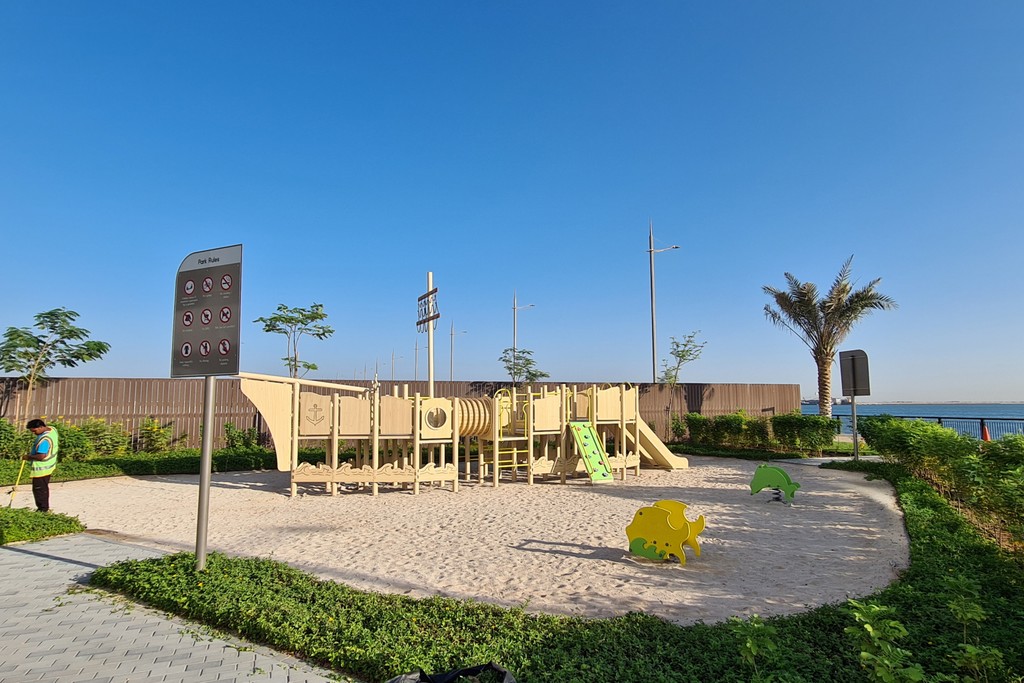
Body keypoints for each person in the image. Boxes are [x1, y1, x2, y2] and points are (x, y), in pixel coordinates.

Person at [24, 419, 59, 513]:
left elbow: (41, 456)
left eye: (35, 431)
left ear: (41, 427)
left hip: (41, 469)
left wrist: (28, 457)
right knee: (43, 488)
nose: (34, 433)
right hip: (50, 466)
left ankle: (43, 510)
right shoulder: (52, 430)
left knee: (39, 490)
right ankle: (43, 508)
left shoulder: (44, 440)